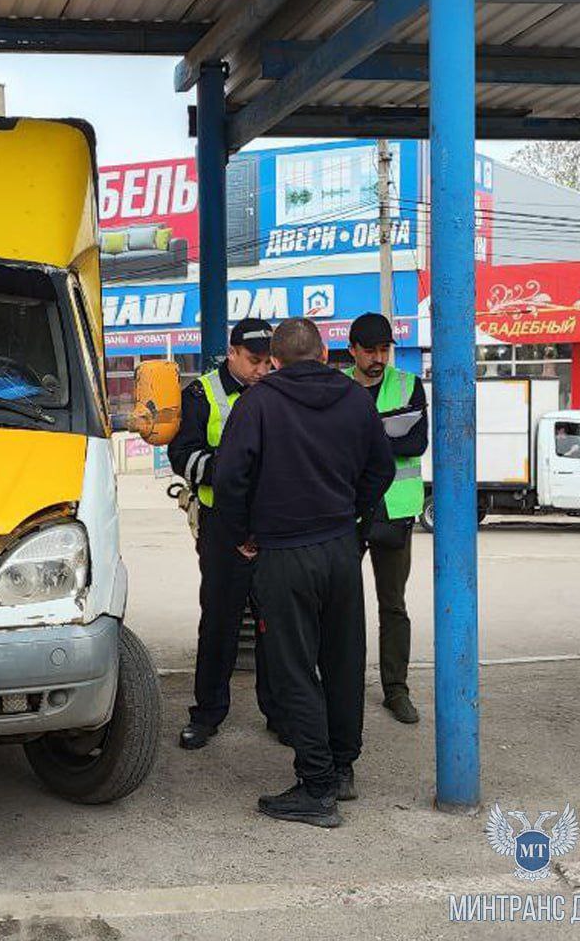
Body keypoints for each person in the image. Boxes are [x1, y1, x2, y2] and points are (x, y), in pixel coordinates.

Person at [212, 318, 394, 828]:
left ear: (274, 359)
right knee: (343, 659)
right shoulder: (357, 400)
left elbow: (229, 481)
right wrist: (352, 513)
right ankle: (341, 769)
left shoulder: (257, 404)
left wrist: (246, 534)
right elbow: (380, 470)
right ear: (327, 350)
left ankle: (316, 788)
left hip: (284, 553)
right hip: (339, 548)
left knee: (293, 668)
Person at [166, 317, 277, 749]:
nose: (261, 369)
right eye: (253, 360)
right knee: (219, 622)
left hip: (269, 522)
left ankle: (279, 711)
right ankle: (208, 713)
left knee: (274, 624)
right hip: (222, 523)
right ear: (231, 353)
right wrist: (232, 472)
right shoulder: (201, 394)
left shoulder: (274, 389)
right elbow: (182, 456)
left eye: (268, 361)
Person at [345, 313, 429, 725]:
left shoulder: (409, 385)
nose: (379, 358)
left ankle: (396, 690)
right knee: (340, 604)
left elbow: (416, 441)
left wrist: (365, 436)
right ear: (353, 350)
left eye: (384, 350)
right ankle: (343, 685)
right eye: (370, 351)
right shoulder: (337, 386)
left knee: (393, 605)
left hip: (395, 511)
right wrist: (384, 435)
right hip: (346, 510)